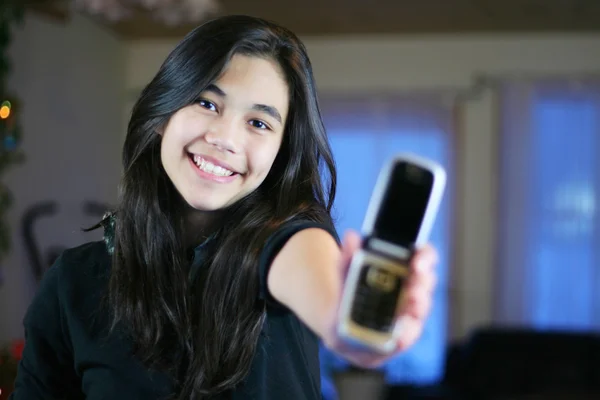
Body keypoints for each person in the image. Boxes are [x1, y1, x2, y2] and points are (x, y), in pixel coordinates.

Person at [10, 15, 438, 400]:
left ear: (279, 153)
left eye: (259, 123)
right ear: (163, 115)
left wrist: (347, 326)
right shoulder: (72, 283)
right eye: (207, 103)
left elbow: (313, 273)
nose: (226, 138)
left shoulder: (286, 239)